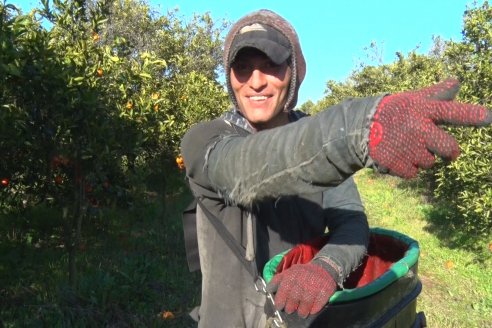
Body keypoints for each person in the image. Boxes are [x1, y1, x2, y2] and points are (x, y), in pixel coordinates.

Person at [180, 9, 491, 328]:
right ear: (230, 77)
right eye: (242, 68)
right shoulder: (205, 141)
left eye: (270, 65)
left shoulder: (311, 134)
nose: (255, 82)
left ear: (294, 71)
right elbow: (248, 167)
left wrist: (326, 267)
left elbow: (352, 221)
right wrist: (356, 130)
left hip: (309, 317)